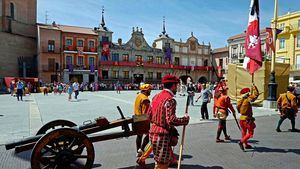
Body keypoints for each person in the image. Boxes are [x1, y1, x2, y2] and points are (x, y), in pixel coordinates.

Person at [149, 75, 190, 169]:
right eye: (177, 85)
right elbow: (171, 120)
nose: (178, 87)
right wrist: (185, 120)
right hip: (162, 135)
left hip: (153, 132)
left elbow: (149, 115)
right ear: (173, 86)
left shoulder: (155, 97)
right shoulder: (170, 100)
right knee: (162, 165)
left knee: (158, 162)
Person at [134, 84, 152, 168]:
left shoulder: (138, 96)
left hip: (137, 117)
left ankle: (138, 150)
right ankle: (141, 149)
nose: (150, 91)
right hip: (143, 118)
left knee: (139, 135)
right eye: (149, 90)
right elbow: (146, 112)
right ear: (145, 90)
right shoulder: (145, 99)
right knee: (150, 135)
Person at [237, 84, 259, 151]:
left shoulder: (240, 101)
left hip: (241, 118)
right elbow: (256, 95)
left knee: (244, 132)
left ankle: (246, 145)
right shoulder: (248, 100)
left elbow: (238, 109)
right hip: (247, 119)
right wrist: (254, 86)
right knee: (250, 133)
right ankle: (241, 142)